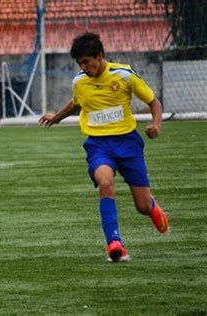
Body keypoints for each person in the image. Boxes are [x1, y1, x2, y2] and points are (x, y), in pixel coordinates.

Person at [39, 32, 169, 262]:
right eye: (79, 63)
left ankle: (152, 206)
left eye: (86, 62)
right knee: (105, 183)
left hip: (128, 143)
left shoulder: (124, 75)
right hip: (98, 145)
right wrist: (57, 117)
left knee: (141, 206)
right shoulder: (80, 81)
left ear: (100, 56)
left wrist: (156, 125)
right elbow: (76, 103)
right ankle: (114, 243)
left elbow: (153, 101)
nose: (83, 67)